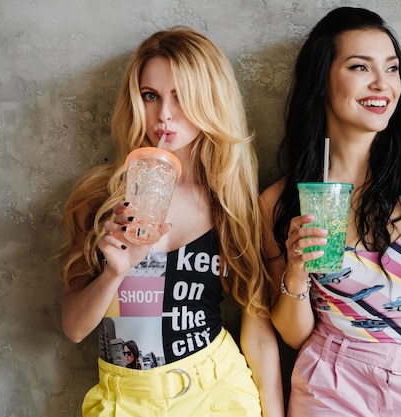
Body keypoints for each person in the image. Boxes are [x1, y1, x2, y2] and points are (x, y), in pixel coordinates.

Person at [260, 7, 401, 417]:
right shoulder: (280, 200)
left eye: (392, 68)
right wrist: (295, 269)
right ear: (322, 80)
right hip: (333, 384)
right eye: (360, 67)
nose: (382, 84)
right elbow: (294, 335)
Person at [59, 26, 282, 417]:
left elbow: (258, 331)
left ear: (210, 100)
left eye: (181, 97)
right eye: (151, 96)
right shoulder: (99, 199)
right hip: (127, 397)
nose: (164, 114)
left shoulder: (231, 206)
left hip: (217, 391)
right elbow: (74, 328)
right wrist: (115, 273)